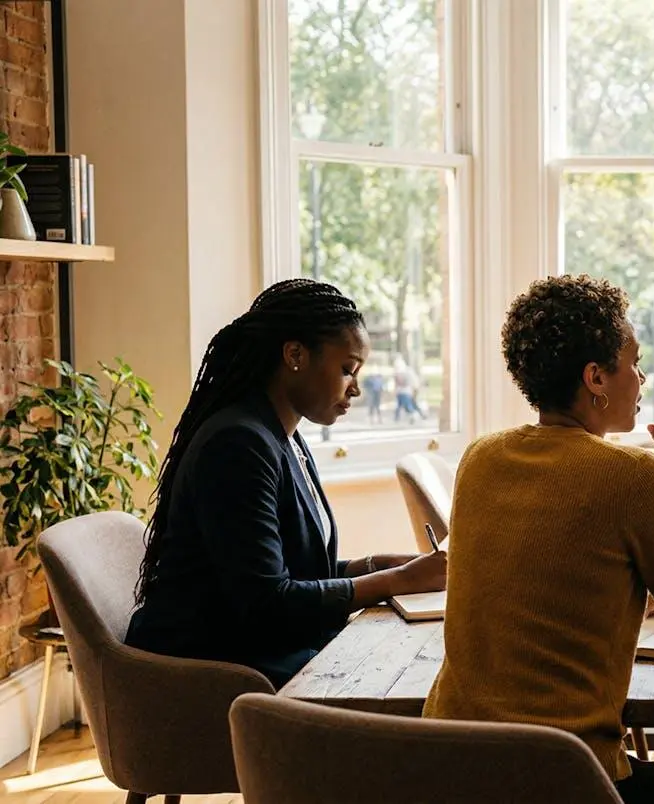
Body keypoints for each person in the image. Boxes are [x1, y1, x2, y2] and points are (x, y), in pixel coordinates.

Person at [424, 275, 654, 804]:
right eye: (633, 363)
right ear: (596, 377)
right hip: (559, 778)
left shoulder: (479, 458)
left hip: (448, 767)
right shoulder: (636, 475)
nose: (641, 378)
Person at [125, 279, 448, 689]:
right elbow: (266, 604)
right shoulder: (237, 443)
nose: (357, 388)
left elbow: (292, 570)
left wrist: (382, 565)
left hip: (257, 652)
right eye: (347, 369)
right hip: (214, 675)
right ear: (295, 354)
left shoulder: (283, 436)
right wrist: (397, 582)